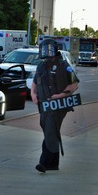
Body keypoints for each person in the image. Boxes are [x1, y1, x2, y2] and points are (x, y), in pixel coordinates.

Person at [30, 39, 79, 173]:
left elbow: (74, 84)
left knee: (51, 130)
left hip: (58, 105)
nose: (46, 52)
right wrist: (33, 94)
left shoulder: (63, 65)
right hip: (43, 106)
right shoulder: (41, 66)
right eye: (44, 49)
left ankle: (44, 163)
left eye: (49, 49)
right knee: (48, 131)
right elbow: (34, 83)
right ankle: (53, 163)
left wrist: (60, 95)